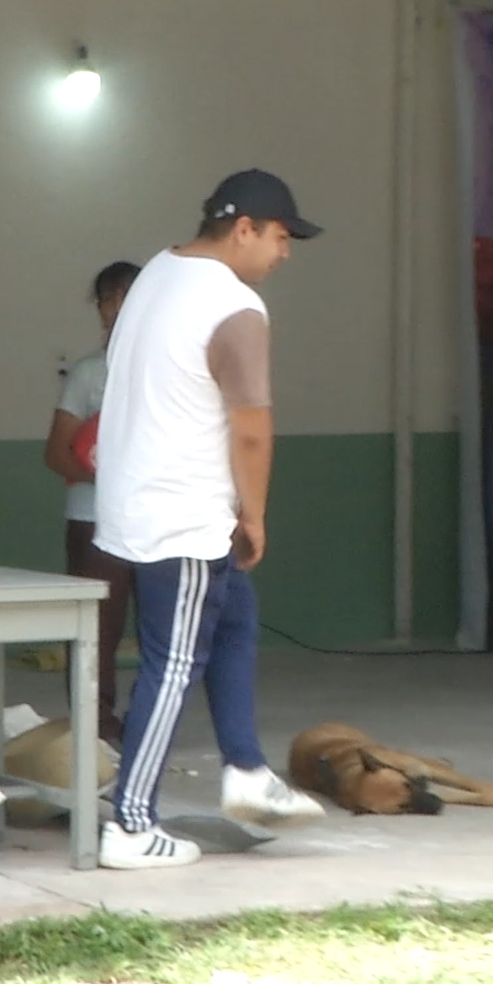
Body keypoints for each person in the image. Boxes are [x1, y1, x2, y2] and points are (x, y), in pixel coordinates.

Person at [94, 169, 327, 870]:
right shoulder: (234, 304)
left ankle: (247, 771)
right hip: (185, 512)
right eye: (281, 237)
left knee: (235, 616)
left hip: (133, 499)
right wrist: (254, 514)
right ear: (244, 228)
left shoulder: (157, 273)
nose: (285, 253)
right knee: (171, 665)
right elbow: (251, 429)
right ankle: (131, 824)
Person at [43, 261, 140, 744]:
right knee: (96, 631)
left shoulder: (167, 369)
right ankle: (94, 723)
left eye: (130, 296)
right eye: (109, 298)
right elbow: (56, 454)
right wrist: (108, 478)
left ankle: (146, 719)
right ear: (100, 308)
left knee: (164, 632)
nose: (119, 308)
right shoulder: (87, 374)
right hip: (93, 521)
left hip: (154, 525)